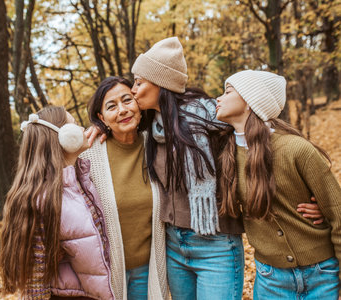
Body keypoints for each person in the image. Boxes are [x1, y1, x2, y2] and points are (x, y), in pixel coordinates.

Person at [128, 37, 324, 300]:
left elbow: (264, 148)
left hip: (216, 247)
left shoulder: (216, 121)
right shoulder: (151, 130)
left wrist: (312, 199)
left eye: (139, 82)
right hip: (174, 245)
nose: (133, 90)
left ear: (161, 83)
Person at [216, 70, 341, 300]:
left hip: (322, 275)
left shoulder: (296, 150)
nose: (218, 98)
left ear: (250, 101)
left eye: (228, 91)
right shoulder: (226, 155)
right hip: (271, 280)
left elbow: (338, 213)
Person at [0, 106, 114, 299]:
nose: (81, 129)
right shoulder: (42, 200)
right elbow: (34, 285)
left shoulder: (79, 177)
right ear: (63, 138)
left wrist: (105, 126)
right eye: (74, 124)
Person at [82, 76, 168, 299]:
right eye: (111, 107)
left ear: (138, 105)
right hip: (104, 273)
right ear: (101, 118)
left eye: (127, 100)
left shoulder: (158, 143)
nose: (122, 110)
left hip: (146, 270)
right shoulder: (89, 155)